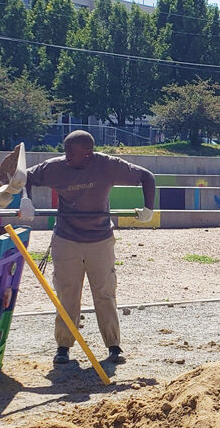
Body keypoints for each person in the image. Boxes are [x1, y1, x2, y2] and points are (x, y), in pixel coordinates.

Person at [21, 130, 155, 365]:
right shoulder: (55, 167)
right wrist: (26, 200)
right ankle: (63, 346)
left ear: (88, 154)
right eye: (65, 152)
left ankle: (114, 346)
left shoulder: (108, 165)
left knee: (104, 292)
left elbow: (147, 176)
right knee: (67, 293)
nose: (67, 157)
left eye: (72, 153)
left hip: (100, 239)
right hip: (66, 238)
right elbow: (24, 177)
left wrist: (148, 208)